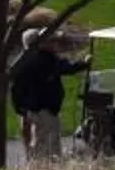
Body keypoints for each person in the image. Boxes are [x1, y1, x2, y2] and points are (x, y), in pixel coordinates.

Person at [10, 28, 86, 161]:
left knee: (41, 142)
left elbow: (16, 90)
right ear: (39, 43)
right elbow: (65, 67)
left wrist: (22, 110)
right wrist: (84, 63)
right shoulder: (43, 60)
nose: (54, 44)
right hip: (44, 110)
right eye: (50, 41)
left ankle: (40, 169)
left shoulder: (25, 61)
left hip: (34, 110)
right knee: (48, 146)